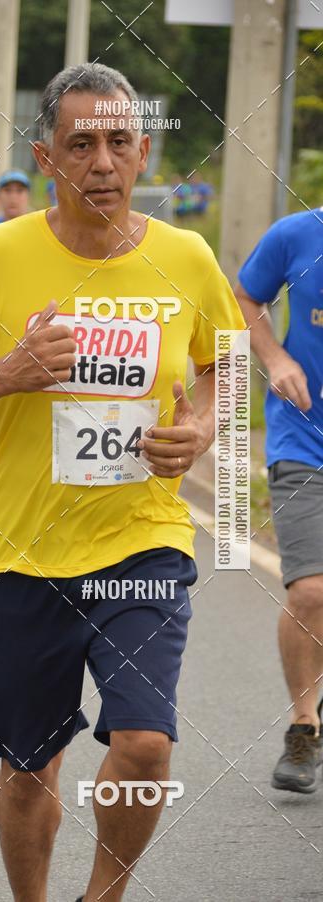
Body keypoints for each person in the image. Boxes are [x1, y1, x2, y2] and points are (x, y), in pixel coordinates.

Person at [0, 62, 245, 900]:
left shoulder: (186, 259)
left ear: (145, 153)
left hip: (143, 546)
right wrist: (7, 373)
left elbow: (225, 367)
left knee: (146, 743)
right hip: (20, 557)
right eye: (80, 144)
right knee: (27, 769)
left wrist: (200, 425)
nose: (102, 163)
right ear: (45, 159)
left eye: (119, 143)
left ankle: (104, 894)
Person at [236, 211, 323, 794]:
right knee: (312, 590)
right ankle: (304, 725)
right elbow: (243, 295)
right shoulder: (298, 233)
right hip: (303, 439)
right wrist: (275, 358)